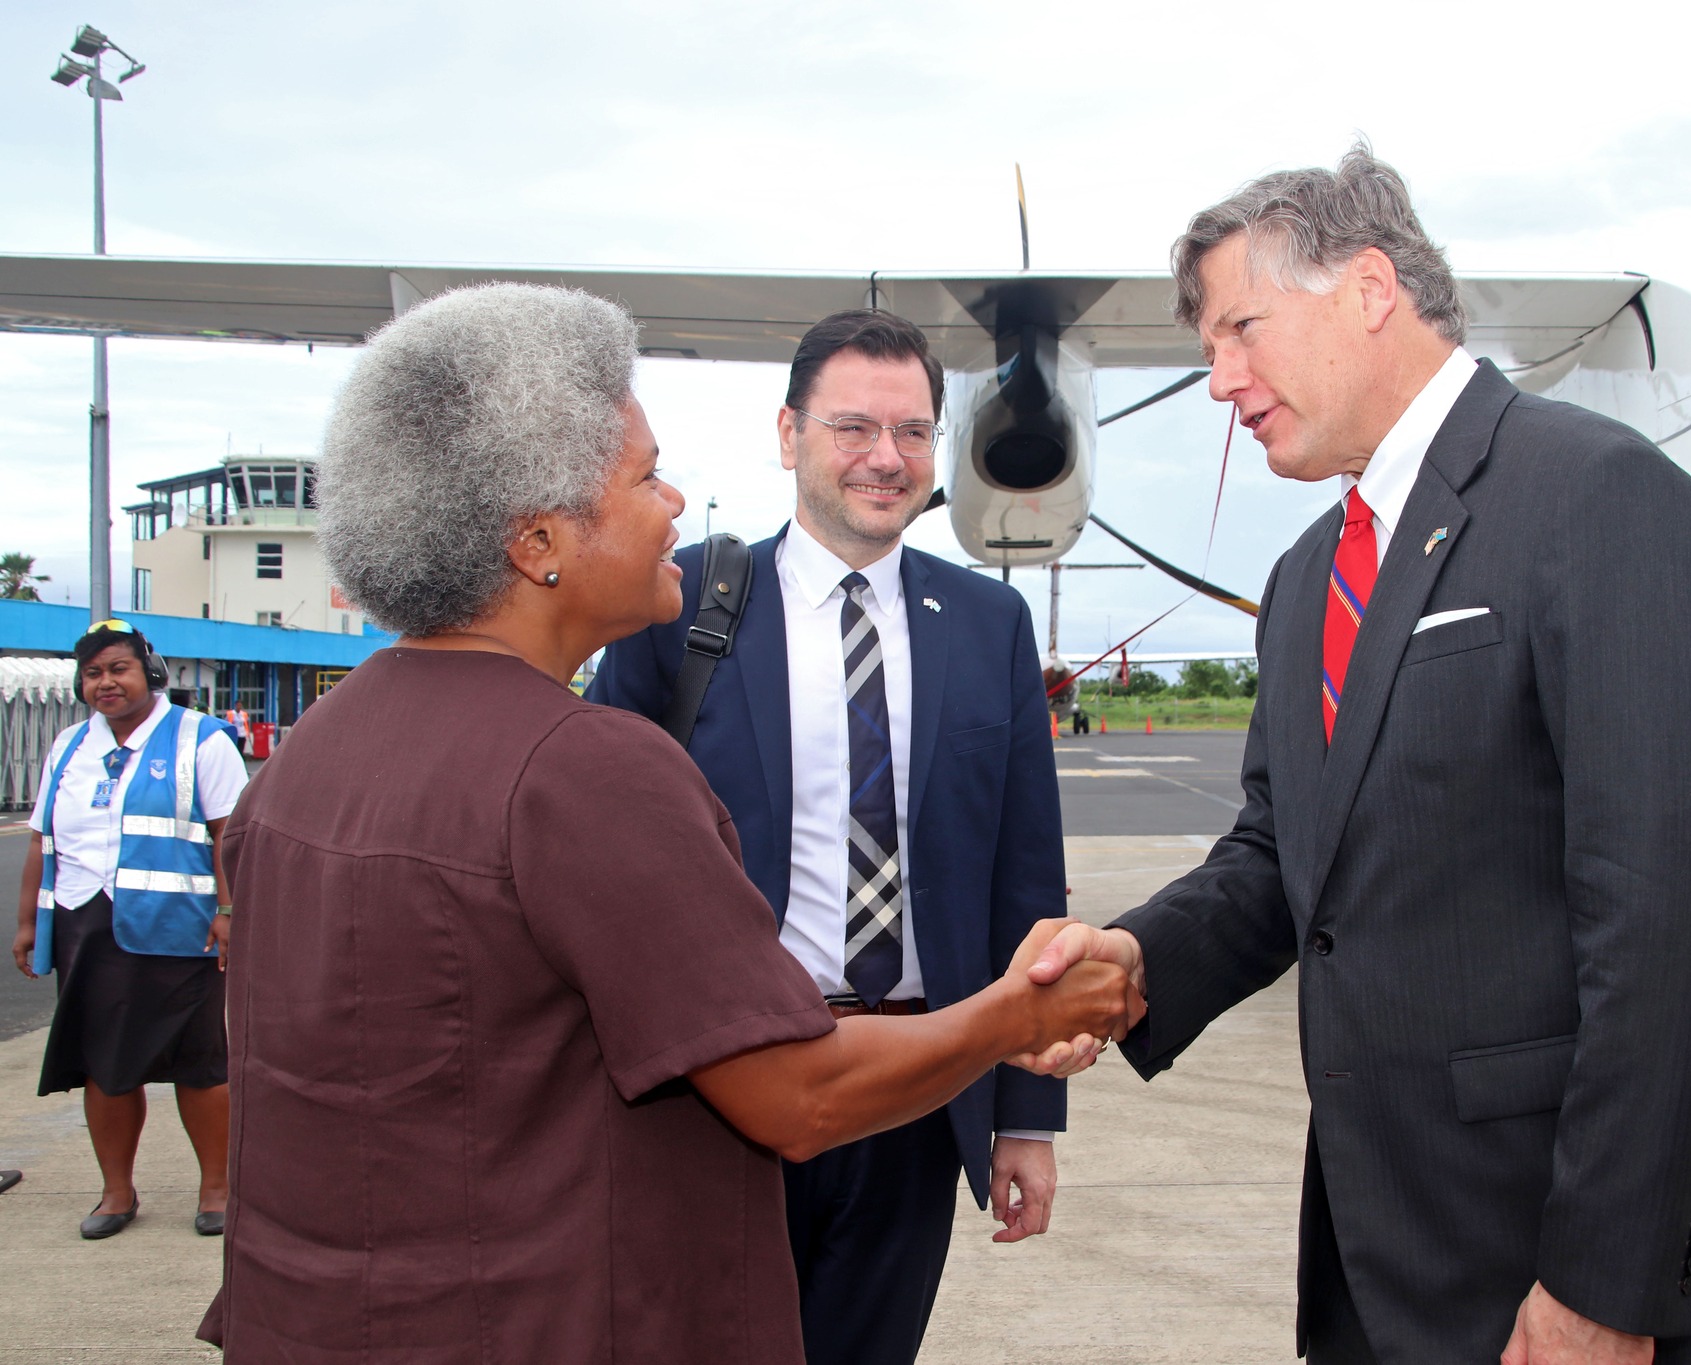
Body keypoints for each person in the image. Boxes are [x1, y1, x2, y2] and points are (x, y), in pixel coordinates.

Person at [197, 282, 1130, 1363]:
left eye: (912, 430)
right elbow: (796, 1094)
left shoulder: (313, 754)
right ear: (540, 538)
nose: (678, 505)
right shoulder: (580, 768)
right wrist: (1017, 1017)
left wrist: (1012, 1107)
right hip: (555, 1285)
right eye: (644, 477)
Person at [1022, 144, 1691, 1363]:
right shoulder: (1300, 580)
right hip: (1379, 1254)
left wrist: (1607, 1280)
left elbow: (1675, 923)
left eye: (1240, 330)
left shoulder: (1597, 499)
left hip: (1556, 1255)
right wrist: (1129, 959)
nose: (1216, 380)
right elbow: (1283, 856)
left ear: (1367, 290)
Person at [589, 308, 1068, 1365]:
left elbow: (1023, 882)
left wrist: (1025, 1115)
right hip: (722, 1091)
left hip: (909, 1086)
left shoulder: (989, 628)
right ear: (788, 434)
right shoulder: (676, 614)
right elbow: (603, 877)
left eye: (912, 432)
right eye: (853, 428)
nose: (885, 459)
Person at [10, 619, 245, 1240]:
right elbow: (42, 839)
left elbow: (231, 834)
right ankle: (117, 1193)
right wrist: (30, 921)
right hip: (86, 923)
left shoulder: (201, 740)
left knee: (200, 1063)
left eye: (119, 668)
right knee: (103, 1064)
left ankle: (217, 1188)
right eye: (93, 673)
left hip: (180, 927)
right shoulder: (68, 747)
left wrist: (230, 912)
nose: (105, 683)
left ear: (150, 672)